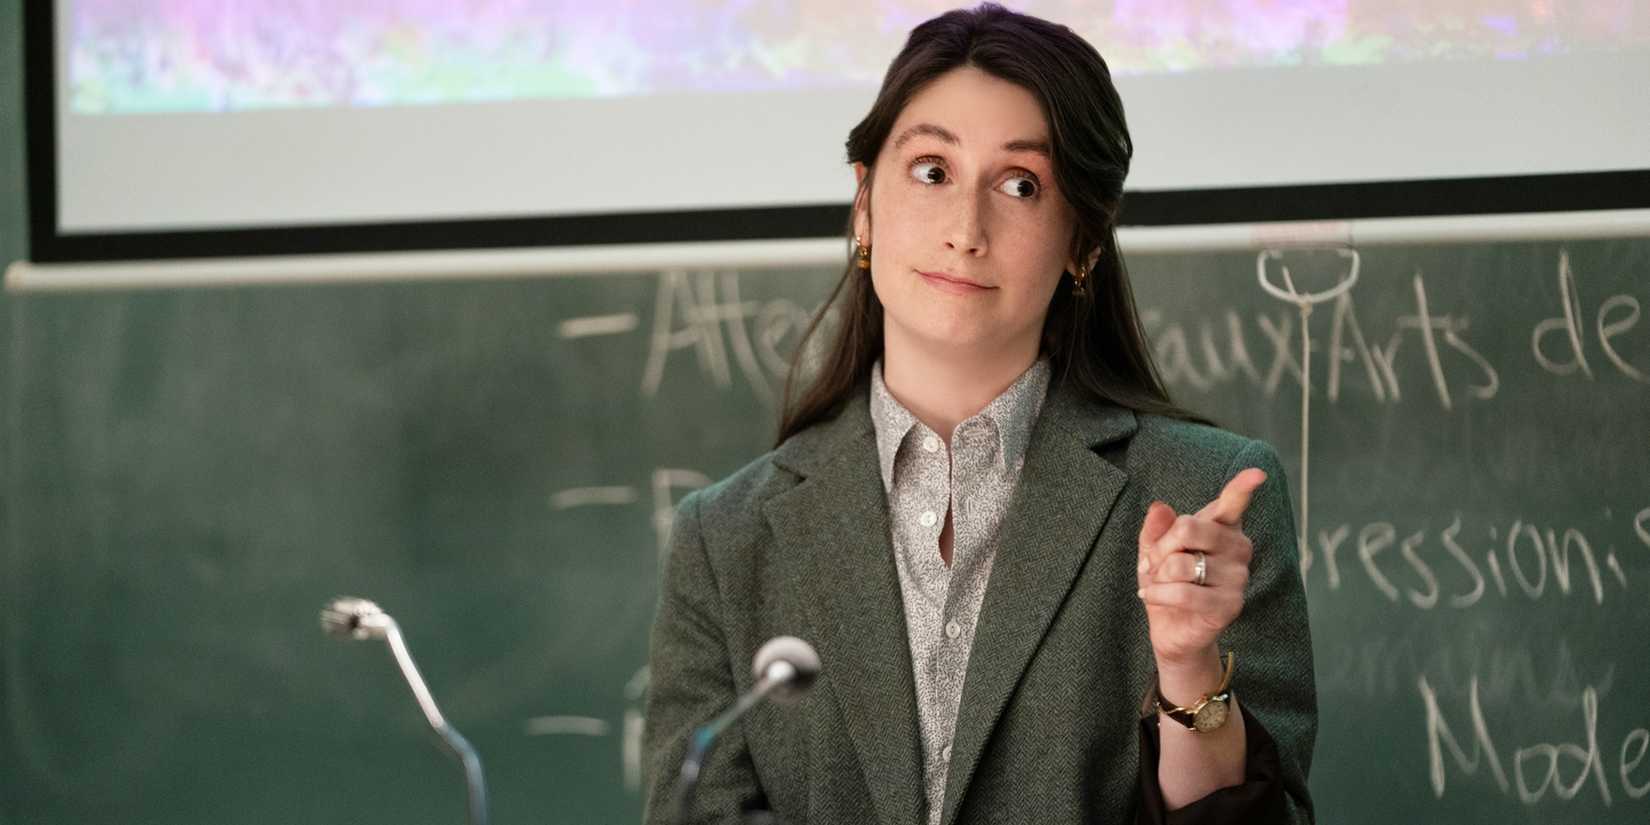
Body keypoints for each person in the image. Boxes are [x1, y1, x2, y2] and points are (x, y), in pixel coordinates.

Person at [643, 4, 1315, 823]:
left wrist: (1188, 668)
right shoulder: (726, 539)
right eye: (931, 170)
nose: (966, 229)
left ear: (1083, 244)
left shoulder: (1202, 505)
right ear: (864, 204)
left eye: (1020, 184)